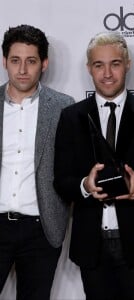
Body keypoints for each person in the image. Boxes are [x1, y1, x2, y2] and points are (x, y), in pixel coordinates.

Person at [53, 31, 134, 300]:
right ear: (89, 69)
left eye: (115, 64)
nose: (107, 73)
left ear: (128, 64)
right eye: (99, 65)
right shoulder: (72, 117)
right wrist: (85, 185)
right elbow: (61, 180)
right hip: (90, 244)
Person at [0, 24, 74, 300]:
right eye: (15, 60)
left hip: (41, 230)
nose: (22, 70)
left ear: (44, 63)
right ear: (4, 60)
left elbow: (72, 168)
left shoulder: (64, 107)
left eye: (31, 61)